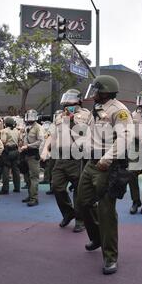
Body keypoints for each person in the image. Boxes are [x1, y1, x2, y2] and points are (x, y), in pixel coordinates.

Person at [77, 75, 133, 275]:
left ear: (106, 91)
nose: (94, 94)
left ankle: (110, 257)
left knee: (106, 212)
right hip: (91, 163)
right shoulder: (98, 109)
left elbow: (124, 138)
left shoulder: (119, 111)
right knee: (82, 202)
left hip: (106, 166)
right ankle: (97, 237)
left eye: (97, 90)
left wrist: (107, 159)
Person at [42, 90, 91, 233]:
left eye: (71, 100)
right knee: (57, 187)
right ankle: (68, 213)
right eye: (66, 100)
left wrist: (72, 120)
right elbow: (52, 134)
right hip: (60, 157)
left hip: (77, 157)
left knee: (78, 190)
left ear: (78, 101)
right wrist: (46, 149)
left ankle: (80, 220)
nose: (68, 103)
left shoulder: (86, 115)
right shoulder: (58, 116)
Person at [20, 110, 44, 207]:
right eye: (28, 115)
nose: (29, 118)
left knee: (34, 177)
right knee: (27, 177)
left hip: (33, 155)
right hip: (25, 154)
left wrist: (28, 146)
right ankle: (30, 196)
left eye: (31, 116)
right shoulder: (26, 127)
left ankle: (34, 198)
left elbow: (40, 141)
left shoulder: (38, 127)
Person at [0, 117, 21, 195]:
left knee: (5, 169)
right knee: (16, 170)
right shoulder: (16, 131)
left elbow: (3, 141)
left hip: (7, 151)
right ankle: (17, 187)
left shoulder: (4, 131)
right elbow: (19, 141)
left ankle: (5, 189)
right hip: (15, 150)